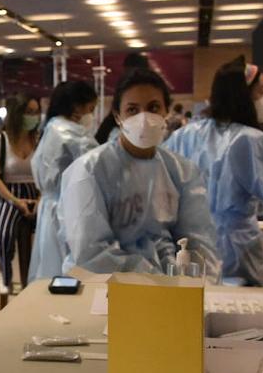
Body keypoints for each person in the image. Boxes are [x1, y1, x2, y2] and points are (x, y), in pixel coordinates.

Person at [164, 57, 263, 286]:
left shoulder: (185, 135)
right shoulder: (251, 141)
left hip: (189, 247)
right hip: (235, 251)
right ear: (242, 95)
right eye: (262, 90)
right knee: (240, 305)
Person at [60, 68, 220, 279]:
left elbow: (198, 240)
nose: (143, 118)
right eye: (132, 110)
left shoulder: (181, 171)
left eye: (153, 108)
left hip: (171, 284)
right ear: (118, 116)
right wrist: (150, 276)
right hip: (104, 284)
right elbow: (90, 252)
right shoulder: (90, 170)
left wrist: (200, 281)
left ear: (166, 111)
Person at [28, 79, 100, 280]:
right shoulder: (73, 134)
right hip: (68, 210)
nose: (91, 115)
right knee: (68, 271)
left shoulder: (51, 127)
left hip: (50, 207)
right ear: (77, 107)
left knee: (49, 268)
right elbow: (99, 166)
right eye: (90, 109)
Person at [0, 93, 42, 296]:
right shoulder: (0, 139)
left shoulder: (39, 140)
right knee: (6, 232)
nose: (33, 117)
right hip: (9, 194)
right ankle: (5, 273)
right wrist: (16, 201)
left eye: (36, 112)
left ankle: (37, 279)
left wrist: (40, 199)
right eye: (29, 112)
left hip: (37, 193)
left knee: (49, 233)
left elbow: (46, 174)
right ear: (17, 113)